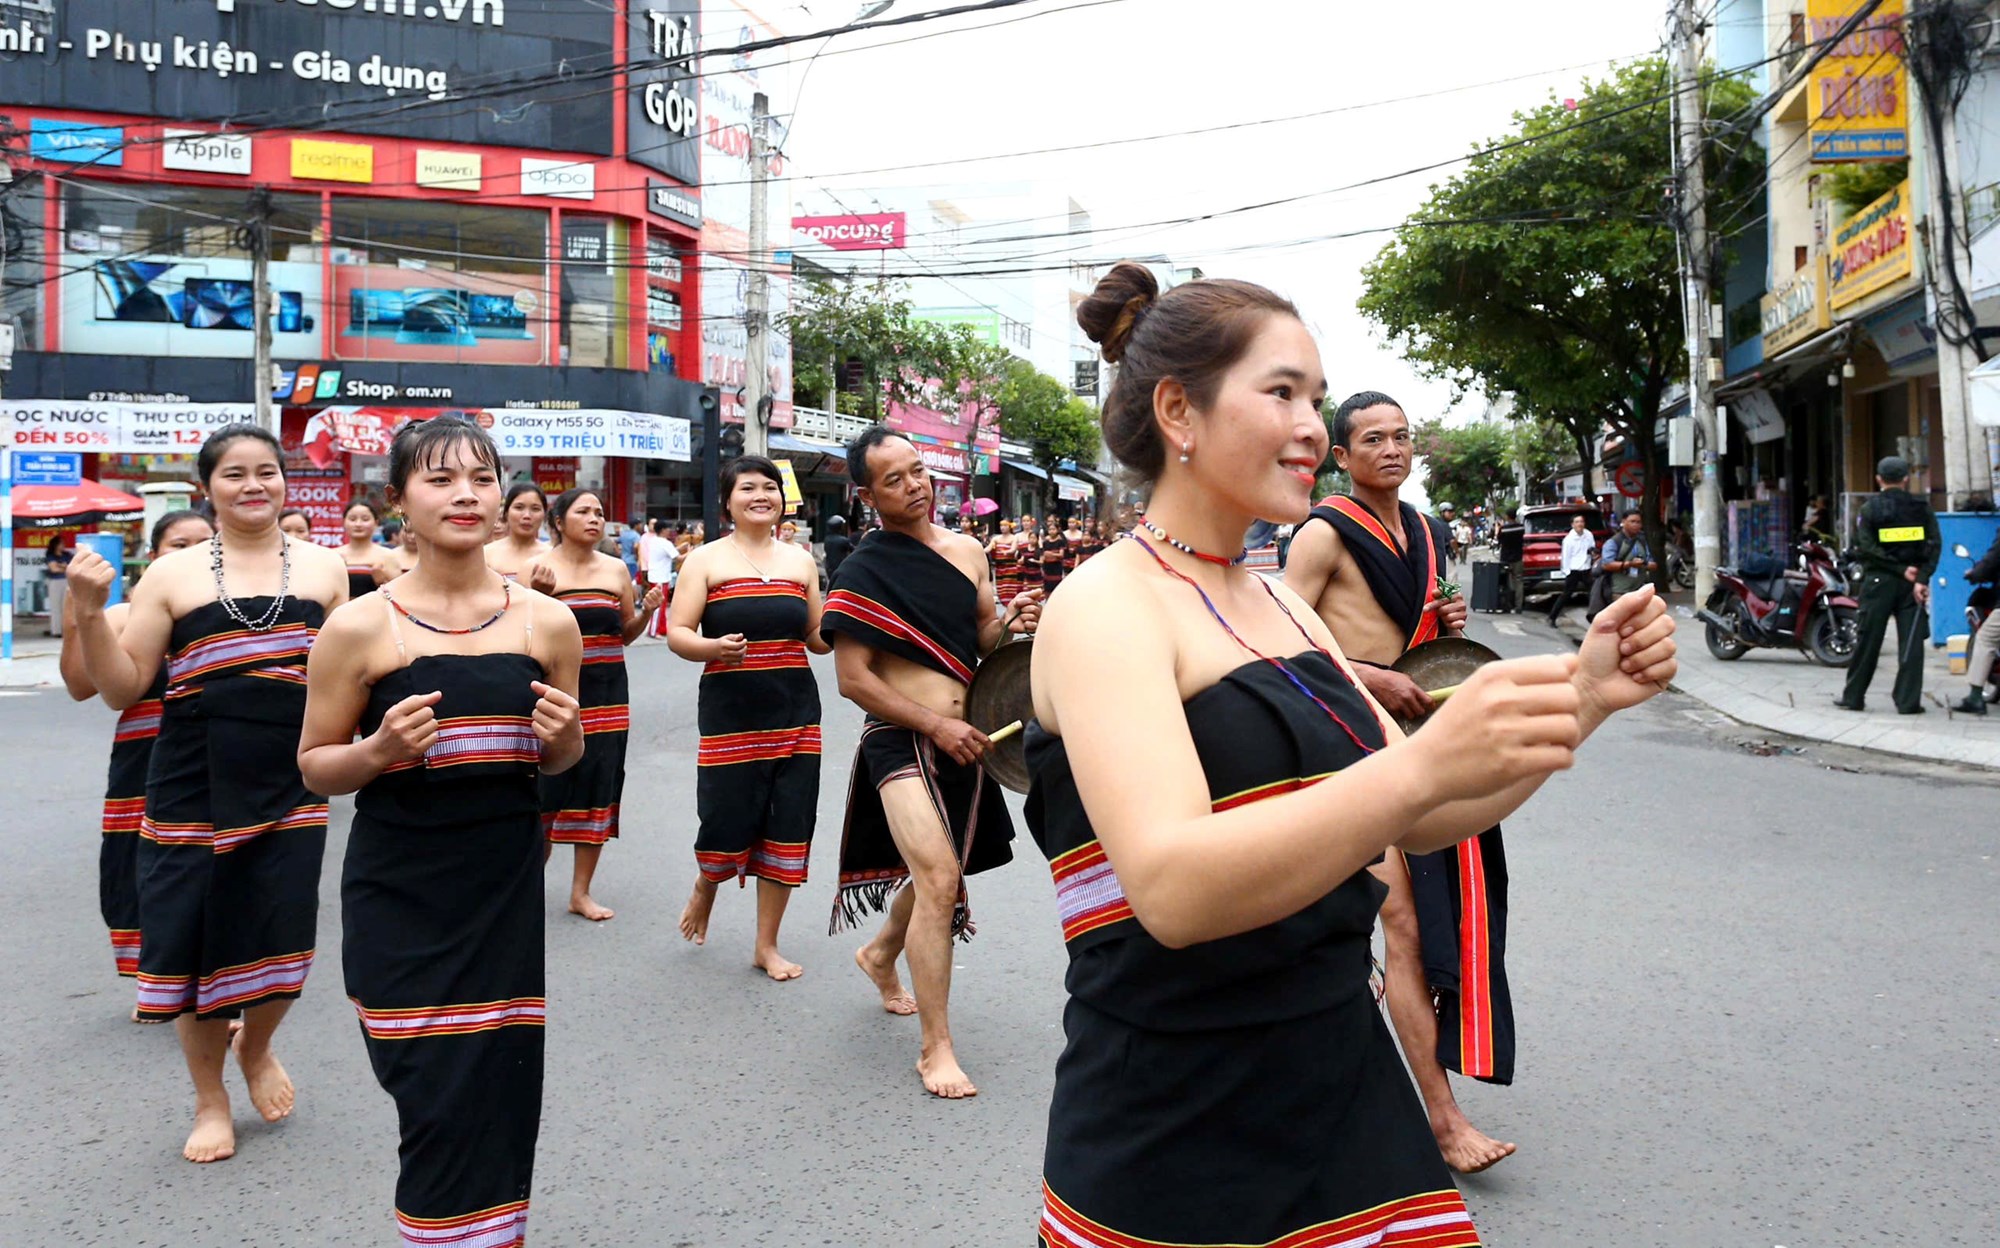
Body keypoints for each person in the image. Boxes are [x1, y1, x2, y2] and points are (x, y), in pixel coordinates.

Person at [1028, 261, 1677, 1247]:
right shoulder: (1102, 606)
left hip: (1341, 1088)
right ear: (1178, 411)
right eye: (1280, 392)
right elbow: (1171, 886)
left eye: (1316, 401)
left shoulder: (1276, 598)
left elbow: (1415, 818)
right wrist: (1416, 764)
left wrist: (1579, 707)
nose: (1311, 431)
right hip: (1175, 1123)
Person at [299, 416, 584, 1248]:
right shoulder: (358, 627)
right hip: (399, 897)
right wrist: (380, 751)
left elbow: (563, 761)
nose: (465, 494)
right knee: (429, 1093)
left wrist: (565, 739)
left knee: (494, 1096)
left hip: (501, 897)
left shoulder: (546, 624)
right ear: (397, 500)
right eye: (439, 478)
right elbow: (315, 765)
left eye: (481, 477)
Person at [67, 422, 349, 1163]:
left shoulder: (326, 569)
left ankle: (256, 1047)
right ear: (208, 488)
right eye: (234, 474)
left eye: (266, 471)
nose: (253, 485)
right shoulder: (170, 576)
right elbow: (121, 688)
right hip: (189, 777)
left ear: (286, 480)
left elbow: (348, 679)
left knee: (284, 935)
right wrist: (90, 613)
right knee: (191, 943)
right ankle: (210, 1099)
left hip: (289, 777)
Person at [1282, 390, 1515, 1174]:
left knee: (1400, 925)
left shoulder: (1425, 528)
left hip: (1419, 739)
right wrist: (1370, 677)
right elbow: (1278, 644)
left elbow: (1418, 624)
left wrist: (1443, 628)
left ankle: (1348, 1082)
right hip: (1344, 740)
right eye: (1372, 439)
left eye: (1401, 436)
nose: (1391, 449)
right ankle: (1442, 1120)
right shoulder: (1320, 532)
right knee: (1402, 925)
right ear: (1340, 458)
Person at [822, 426, 1042, 1098]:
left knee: (936, 876)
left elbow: (979, 635)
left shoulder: (969, 551)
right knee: (940, 876)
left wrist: (1012, 623)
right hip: (900, 736)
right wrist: (932, 724)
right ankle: (936, 1049)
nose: (915, 486)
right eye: (895, 479)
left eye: (918, 471)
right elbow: (853, 679)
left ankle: (880, 952)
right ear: (866, 495)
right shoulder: (864, 568)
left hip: (972, 735)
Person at [669, 457, 830, 979]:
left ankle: (766, 945)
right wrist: (712, 646)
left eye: (770, 487)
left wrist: (856, 622)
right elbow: (678, 632)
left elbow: (816, 638)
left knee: (789, 821)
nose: (761, 495)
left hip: (795, 710)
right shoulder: (705, 561)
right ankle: (707, 881)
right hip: (730, 710)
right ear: (728, 501)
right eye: (747, 488)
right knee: (725, 816)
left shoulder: (801, 562)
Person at [59, 509, 215, 1017]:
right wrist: (79, 614)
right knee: (140, 870)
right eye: (178, 544)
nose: (192, 552)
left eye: (204, 542)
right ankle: (163, 975)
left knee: (219, 869)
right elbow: (82, 685)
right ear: (153, 556)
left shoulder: (241, 613)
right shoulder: (126, 615)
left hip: (218, 765)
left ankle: (219, 986)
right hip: (142, 766)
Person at [527, 488, 662, 919]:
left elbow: (624, 633)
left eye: (599, 512)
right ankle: (522, 888)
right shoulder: (539, 570)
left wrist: (646, 610)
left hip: (608, 696)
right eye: (583, 511)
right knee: (545, 792)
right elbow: (526, 637)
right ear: (559, 521)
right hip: (555, 697)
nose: (594, 519)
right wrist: (539, 596)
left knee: (599, 786)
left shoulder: (615, 569)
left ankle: (580, 893)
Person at [1838, 456, 1941, 714]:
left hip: (1879, 582)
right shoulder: (1922, 508)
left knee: (1869, 640)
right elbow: (1934, 545)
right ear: (1906, 479)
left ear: (1878, 480)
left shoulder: (1870, 510)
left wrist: (1898, 569)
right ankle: (1908, 702)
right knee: (1912, 643)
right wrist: (1921, 578)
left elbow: (1866, 549)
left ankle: (1854, 697)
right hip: (1912, 584)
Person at [1589, 511, 1657, 621]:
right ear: (1623, 522)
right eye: (1632, 521)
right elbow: (1607, 564)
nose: (1636, 525)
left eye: (1638, 522)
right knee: (1622, 622)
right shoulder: (1614, 542)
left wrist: (1643, 564)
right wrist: (1629, 564)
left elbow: (1653, 564)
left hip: (1639, 591)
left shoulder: (1642, 541)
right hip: (1619, 592)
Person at [485, 484, 551, 583]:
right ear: (506, 513)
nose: (527, 516)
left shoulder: (553, 555)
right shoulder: (486, 554)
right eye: (519, 508)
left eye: (535, 509)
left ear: (544, 515)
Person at [1546, 512, 1599, 626]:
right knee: (1566, 594)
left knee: (1594, 593)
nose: (1580, 524)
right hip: (1574, 569)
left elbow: (1592, 548)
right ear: (1572, 525)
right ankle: (1552, 617)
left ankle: (1596, 618)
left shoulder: (1588, 535)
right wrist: (1567, 571)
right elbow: (1566, 557)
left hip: (1586, 568)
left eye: (1581, 521)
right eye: (1577, 522)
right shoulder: (1569, 539)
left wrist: (1593, 553)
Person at [340, 501, 395, 600]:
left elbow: (400, 595)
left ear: (376, 523)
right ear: (344, 522)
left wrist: (382, 582)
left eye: (365, 519)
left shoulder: (388, 555)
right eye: (352, 519)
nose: (358, 524)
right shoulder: (333, 555)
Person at [44, 535, 72, 638]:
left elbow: (71, 567)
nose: (63, 546)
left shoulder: (67, 554)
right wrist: (64, 566)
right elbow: (53, 569)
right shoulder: (50, 555)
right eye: (61, 544)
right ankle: (56, 630)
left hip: (66, 581)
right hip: (55, 581)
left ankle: (66, 629)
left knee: (65, 606)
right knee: (55, 606)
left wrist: (60, 566)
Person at [822, 514, 854, 584]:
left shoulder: (827, 539)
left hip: (829, 567)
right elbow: (854, 550)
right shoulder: (843, 540)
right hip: (841, 566)